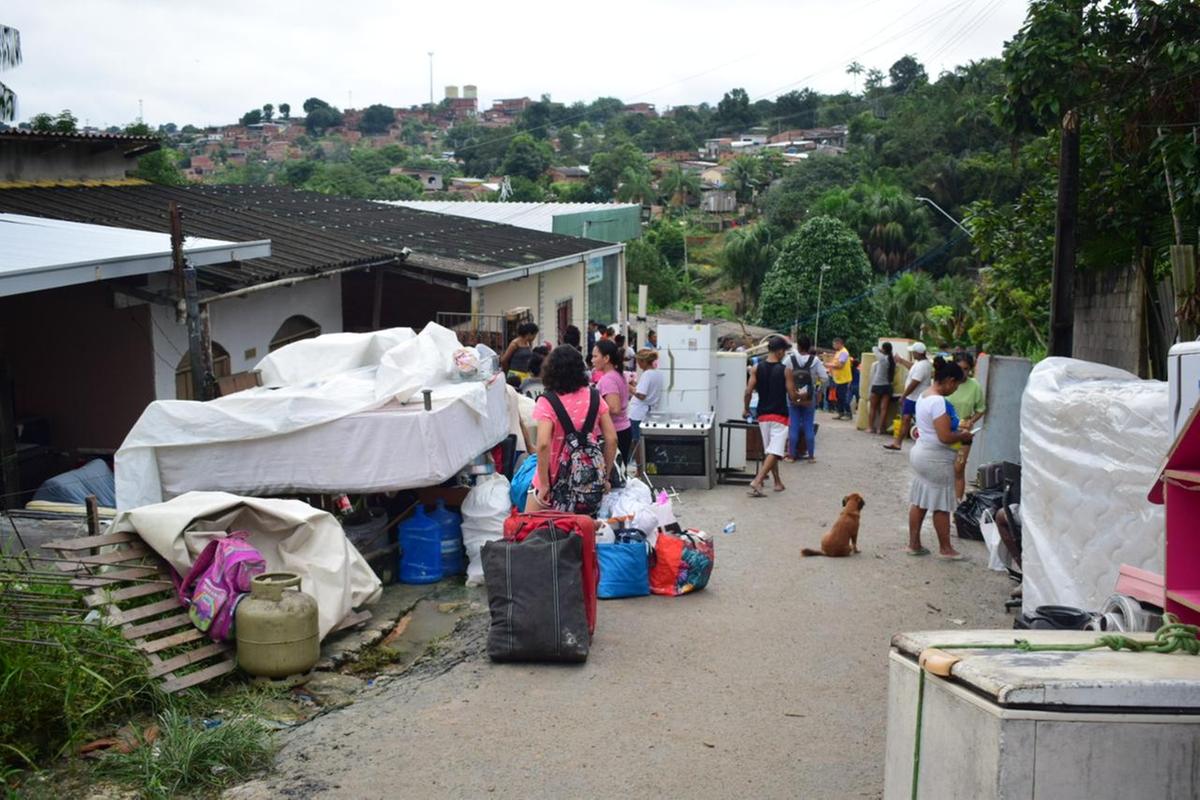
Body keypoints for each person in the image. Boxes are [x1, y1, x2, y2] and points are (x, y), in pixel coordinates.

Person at [530, 345, 617, 511]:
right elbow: (612, 439)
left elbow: (542, 444)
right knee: (582, 531)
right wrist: (604, 477)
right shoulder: (594, 397)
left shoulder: (547, 401)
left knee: (529, 528)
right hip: (588, 483)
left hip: (555, 480)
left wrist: (544, 484)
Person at [906, 357, 974, 559]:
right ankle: (946, 548)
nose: (955, 390)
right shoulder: (938, 402)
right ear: (950, 381)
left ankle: (914, 544)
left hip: (921, 452)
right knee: (942, 504)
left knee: (920, 501)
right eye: (956, 386)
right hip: (935, 458)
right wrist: (964, 436)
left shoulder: (924, 395)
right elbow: (945, 437)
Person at [743, 336, 796, 497]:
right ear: (780, 352)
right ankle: (758, 480)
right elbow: (792, 395)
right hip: (780, 415)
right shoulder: (786, 370)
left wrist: (745, 409)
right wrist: (800, 396)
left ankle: (777, 482)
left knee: (771, 452)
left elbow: (748, 391)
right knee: (776, 451)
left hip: (762, 416)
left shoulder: (756, 368)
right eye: (784, 352)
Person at [947, 351, 986, 502]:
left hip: (964, 434)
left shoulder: (974, 386)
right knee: (943, 470)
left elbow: (981, 409)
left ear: (970, 369)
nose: (962, 372)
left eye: (966, 369)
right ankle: (942, 504)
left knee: (958, 469)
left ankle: (957, 505)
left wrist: (971, 421)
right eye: (959, 368)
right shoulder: (947, 382)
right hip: (944, 431)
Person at [592, 338, 633, 471]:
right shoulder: (616, 375)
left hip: (615, 432)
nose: (592, 360)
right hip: (622, 429)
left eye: (595, 356)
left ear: (606, 358)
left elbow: (614, 408)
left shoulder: (608, 379)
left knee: (612, 475)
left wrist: (592, 411)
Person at [785, 335, 827, 463]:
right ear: (809, 347)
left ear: (798, 346)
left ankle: (791, 455)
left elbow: (786, 378)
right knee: (809, 425)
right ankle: (811, 456)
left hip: (794, 397)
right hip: (809, 398)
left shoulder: (790, 360)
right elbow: (825, 378)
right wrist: (819, 391)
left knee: (793, 425)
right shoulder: (816, 361)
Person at [884, 342, 932, 452]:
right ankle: (898, 443)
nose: (912, 354)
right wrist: (901, 360)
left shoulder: (923, 366)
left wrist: (904, 396)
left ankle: (900, 443)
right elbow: (912, 367)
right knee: (906, 419)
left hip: (915, 397)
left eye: (913, 352)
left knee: (911, 420)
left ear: (917, 353)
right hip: (914, 397)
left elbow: (915, 382)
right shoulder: (921, 363)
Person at [627, 349, 662, 477]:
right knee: (646, 442)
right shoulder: (657, 374)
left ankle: (640, 470)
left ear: (643, 361)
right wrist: (635, 385)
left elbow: (641, 394)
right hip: (650, 411)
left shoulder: (647, 374)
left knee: (637, 442)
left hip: (639, 413)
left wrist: (628, 387)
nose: (637, 364)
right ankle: (648, 467)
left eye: (638, 362)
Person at [868, 342, 897, 435]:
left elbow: (874, 348)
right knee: (884, 408)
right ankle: (880, 429)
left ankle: (870, 427)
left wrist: (880, 350)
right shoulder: (892, 360)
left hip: (877, 385)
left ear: (884, 349)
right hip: (887, 386)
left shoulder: (882, 358)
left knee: (873, 407)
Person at [824, 337, 854, 420]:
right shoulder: (839, 352)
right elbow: (835, 363)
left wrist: (828, 365)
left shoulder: (844, 353)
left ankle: (848, 414)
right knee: (838, 396)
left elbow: (840, 365)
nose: (833, 346)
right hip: (838, 379)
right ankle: (840, 413)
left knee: (842, 397)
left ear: (839, 344)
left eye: (834, 344)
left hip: (844, 379)